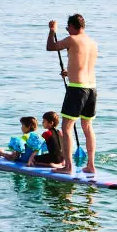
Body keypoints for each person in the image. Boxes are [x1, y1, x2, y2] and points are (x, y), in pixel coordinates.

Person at [46, 13, 99, 175]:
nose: (67, 31)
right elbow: (83, 65)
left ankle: (68, 167)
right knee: (87, 127)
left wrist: (52, 31)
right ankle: (91, 165)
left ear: (73, 26)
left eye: (67, 27)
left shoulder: (72, 39)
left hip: (77, 89)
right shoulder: (92, 43)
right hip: (92, 88)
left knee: (67, 127)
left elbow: (51, 47)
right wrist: (69, 73)